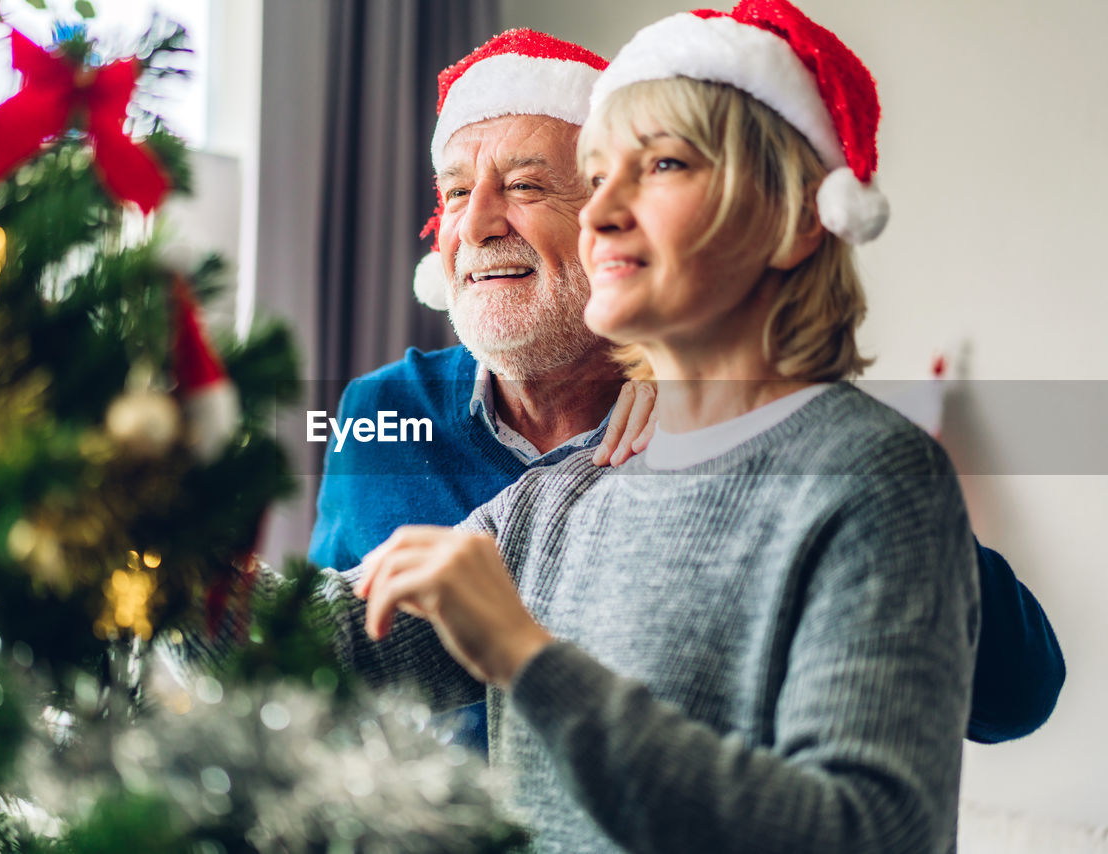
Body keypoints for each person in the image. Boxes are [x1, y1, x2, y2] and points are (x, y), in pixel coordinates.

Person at [306, 26, 1064, 750]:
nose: (473, 224)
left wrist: (717, 405)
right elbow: (321, 655)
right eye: (454, 190)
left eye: (529, 185)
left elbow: (1009, 697)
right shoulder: (393, 420)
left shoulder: (825, 462)